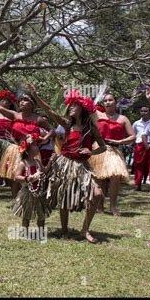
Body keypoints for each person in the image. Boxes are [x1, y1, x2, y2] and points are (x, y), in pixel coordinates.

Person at [29, 85, 106, 243]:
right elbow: (50, 110)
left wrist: (92, 152)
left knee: (97, 194)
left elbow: (103, 146)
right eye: (70, 105)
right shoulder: (67, 124)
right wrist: (35, 96)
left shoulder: (91, 128)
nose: (71, 107)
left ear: (82, 109)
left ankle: (85, 229)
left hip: (82, 165)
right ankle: (64, 232)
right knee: (64, 196)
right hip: (64, 163)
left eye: (75, 105)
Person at [0, 88, 54, 197]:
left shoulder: (38, 119)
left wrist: (45, 139)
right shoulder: (15, 115)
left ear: (32, 104)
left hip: (32, 149)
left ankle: (36, 195)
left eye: (25, 100)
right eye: (20, 100)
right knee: (15, 173)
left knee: (35, 171)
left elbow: (52, 129)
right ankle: (16, 197)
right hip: (16, 148)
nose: (21, 102)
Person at [88, 94, 136, 216]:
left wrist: (120, 142)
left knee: (115, 176)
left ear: (116, 102)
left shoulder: (123, 119)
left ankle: (113, 206)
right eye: (105, 101)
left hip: (114, 150)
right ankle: (99, 206)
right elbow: (85, 106)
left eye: (110, 100)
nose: (108, 102)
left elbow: (132, 136)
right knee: (99, 177)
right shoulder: (97, 115)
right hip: (98, 148)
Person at [12, 133, 54, 237]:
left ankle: (41, 232)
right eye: (35, 145)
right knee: (26, 213)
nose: (37, 147)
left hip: (39, 192)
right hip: (27, 191)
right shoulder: (23, 163)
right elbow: (16, 176)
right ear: (28, 149)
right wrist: (27, 178)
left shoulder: (37, 161)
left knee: (41, 213)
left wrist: (51, 161)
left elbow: (45, 170)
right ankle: (25, 231)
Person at [132, 105, 150, 191]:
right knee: (138, 165)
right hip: (139, 146)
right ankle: (138, 184)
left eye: (145, 111)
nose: (143, 113)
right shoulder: (136, 123)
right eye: (142, 111)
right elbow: (133, 135)